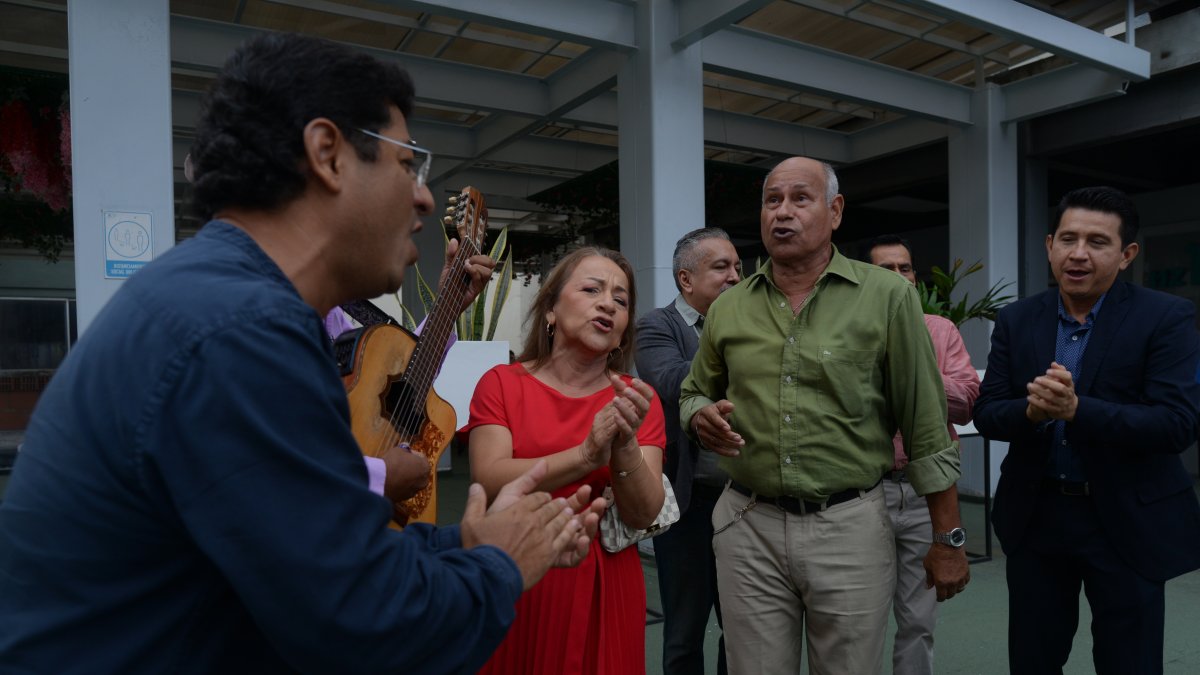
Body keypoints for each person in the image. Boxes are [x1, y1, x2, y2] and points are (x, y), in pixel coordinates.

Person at [0, 32, 605, 673]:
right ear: (328, 153)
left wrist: (466, 540)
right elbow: (365, 626)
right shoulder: (239, 333)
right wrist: (501, 563)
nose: (425, 197)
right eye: (408, 164)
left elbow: (314, 553)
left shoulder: (221, 303)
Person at [679, 156, 970, 674]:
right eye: (772, 201)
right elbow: (693, 391)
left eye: (799, 199)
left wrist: (946, 538)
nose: (782, 213)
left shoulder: (888, 297)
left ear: (835, 211)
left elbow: (926, 425)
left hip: (850, 524)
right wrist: (699, 414)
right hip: (749, 523)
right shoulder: (729, 307)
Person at [974, 186, 1200, 675]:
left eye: (1098, 242)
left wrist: (1078, 410)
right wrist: (1032, 414)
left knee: (1129, 662)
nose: (1079, 253)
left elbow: (1176, 424)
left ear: (1126, 255)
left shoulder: (1164, 318)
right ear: (1049, 244)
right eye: (1068, 238)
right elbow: (988, 411)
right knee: (1033, 660)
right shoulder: (1017, 319)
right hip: (1036, 517)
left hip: (1126, 518)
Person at [465, 246, 668, 675]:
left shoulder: (635, 400)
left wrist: (625, 444)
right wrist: (586, 455)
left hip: (606, 580)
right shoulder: (502, 383)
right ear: (551, 310)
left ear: (623, 330)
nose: (607, 303)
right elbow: (490, 476)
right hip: (520, 567)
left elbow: (644, 511)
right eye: (592, 289)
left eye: (621, 299)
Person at [865, 234, 980, 675]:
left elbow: (967, 399)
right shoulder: (854, 334)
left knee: (918, 620)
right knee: (861, 620)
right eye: (885, 269)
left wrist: (912, 373)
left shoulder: (940, 330)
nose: (898, 277)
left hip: (924, 495)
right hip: (865, 494)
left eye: (905, 268)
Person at [635, 226, 741, 675]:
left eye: (738, 266)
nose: (736, 277)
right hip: (688, 504)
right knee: (684, 628)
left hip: (745, 499)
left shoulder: (746, 325)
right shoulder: (657, 325)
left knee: (742, 626)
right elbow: (674, 382)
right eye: (721, 267)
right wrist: (731, 340)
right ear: (685, 279)